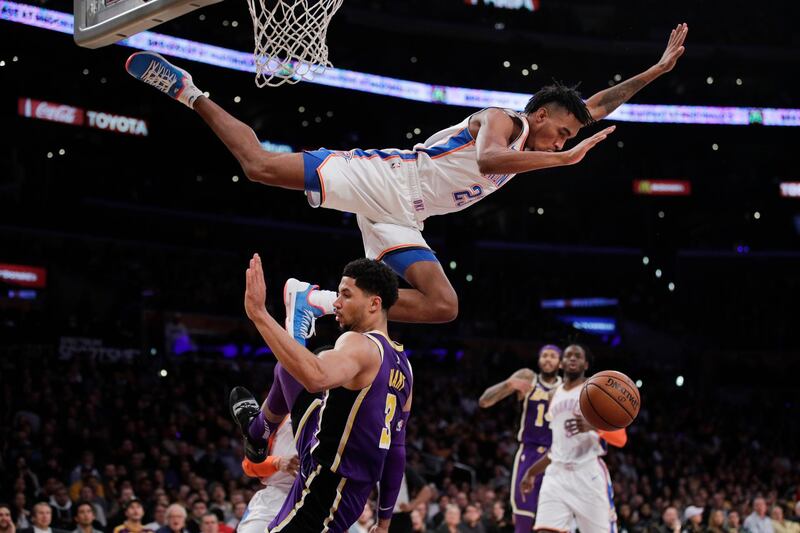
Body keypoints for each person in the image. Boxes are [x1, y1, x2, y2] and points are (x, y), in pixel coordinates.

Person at [124, 24, 688, 327]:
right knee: (259, 167)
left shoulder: (542, 134)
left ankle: (316, 301)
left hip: (408, 214)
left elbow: (601, 103)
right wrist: (560, 160)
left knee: (444, 306)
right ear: (541, 116)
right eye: (563, 132)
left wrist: (656, 72)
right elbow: (490, 161)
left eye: (567, 140)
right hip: (389, 179)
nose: (566, 140)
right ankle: (191, 92)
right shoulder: (502, 121)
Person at [231, 255, 413, 532]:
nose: (336, 303)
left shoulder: (359, 344)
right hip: (345, 481)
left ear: (374, 303)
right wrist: (384, 521)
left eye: (345, 295)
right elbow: (397, 452)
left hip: (325, 486)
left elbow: (316, 376)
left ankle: (258, 430)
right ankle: (258, 431)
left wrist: (259, 314)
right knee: (289, 368)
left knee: (297, 368)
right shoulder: (405, 367)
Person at [520, 344, 627, 533]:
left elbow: (620, 438)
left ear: (586, 364)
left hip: (588, 474)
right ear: (561, 364)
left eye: (578, 356)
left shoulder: (597, 392)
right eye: (568, 355)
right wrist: (531, 472)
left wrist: (593, 425)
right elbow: (557, 447)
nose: (572, 358)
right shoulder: (555, 394)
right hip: (556, 475)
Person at [478, 345, 562, 533]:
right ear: (539, 360)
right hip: (529, 452)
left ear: (561, 363)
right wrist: (508, 384)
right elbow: (484, 401)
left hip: (555, 456)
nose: (548, 359)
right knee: (524, 517)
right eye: (544, 356)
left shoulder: (566, 387)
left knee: (552, 520)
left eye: (553, 356)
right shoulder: (528, 378)